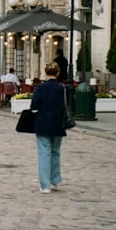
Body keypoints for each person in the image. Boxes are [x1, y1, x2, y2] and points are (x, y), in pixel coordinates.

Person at [29, 61, 67, 193]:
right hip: (57, 123)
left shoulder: (41, 87)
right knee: (55, 152)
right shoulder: (60, 88)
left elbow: (34, 105)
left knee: (44, 153)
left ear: (45, 72)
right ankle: (55, 179)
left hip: (43, 123)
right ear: (57, 73)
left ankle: (45, 185)